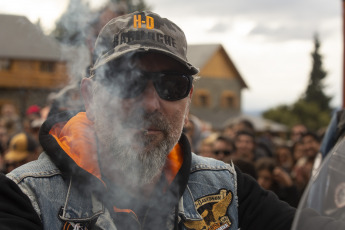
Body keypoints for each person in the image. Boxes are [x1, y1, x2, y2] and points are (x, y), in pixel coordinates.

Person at [0, 11, 295, 230]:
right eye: (129, 83)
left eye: (172, 85)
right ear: (90, 97)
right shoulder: (25, 198)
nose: (151, 103)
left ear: (188, 99)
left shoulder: (228, 189)